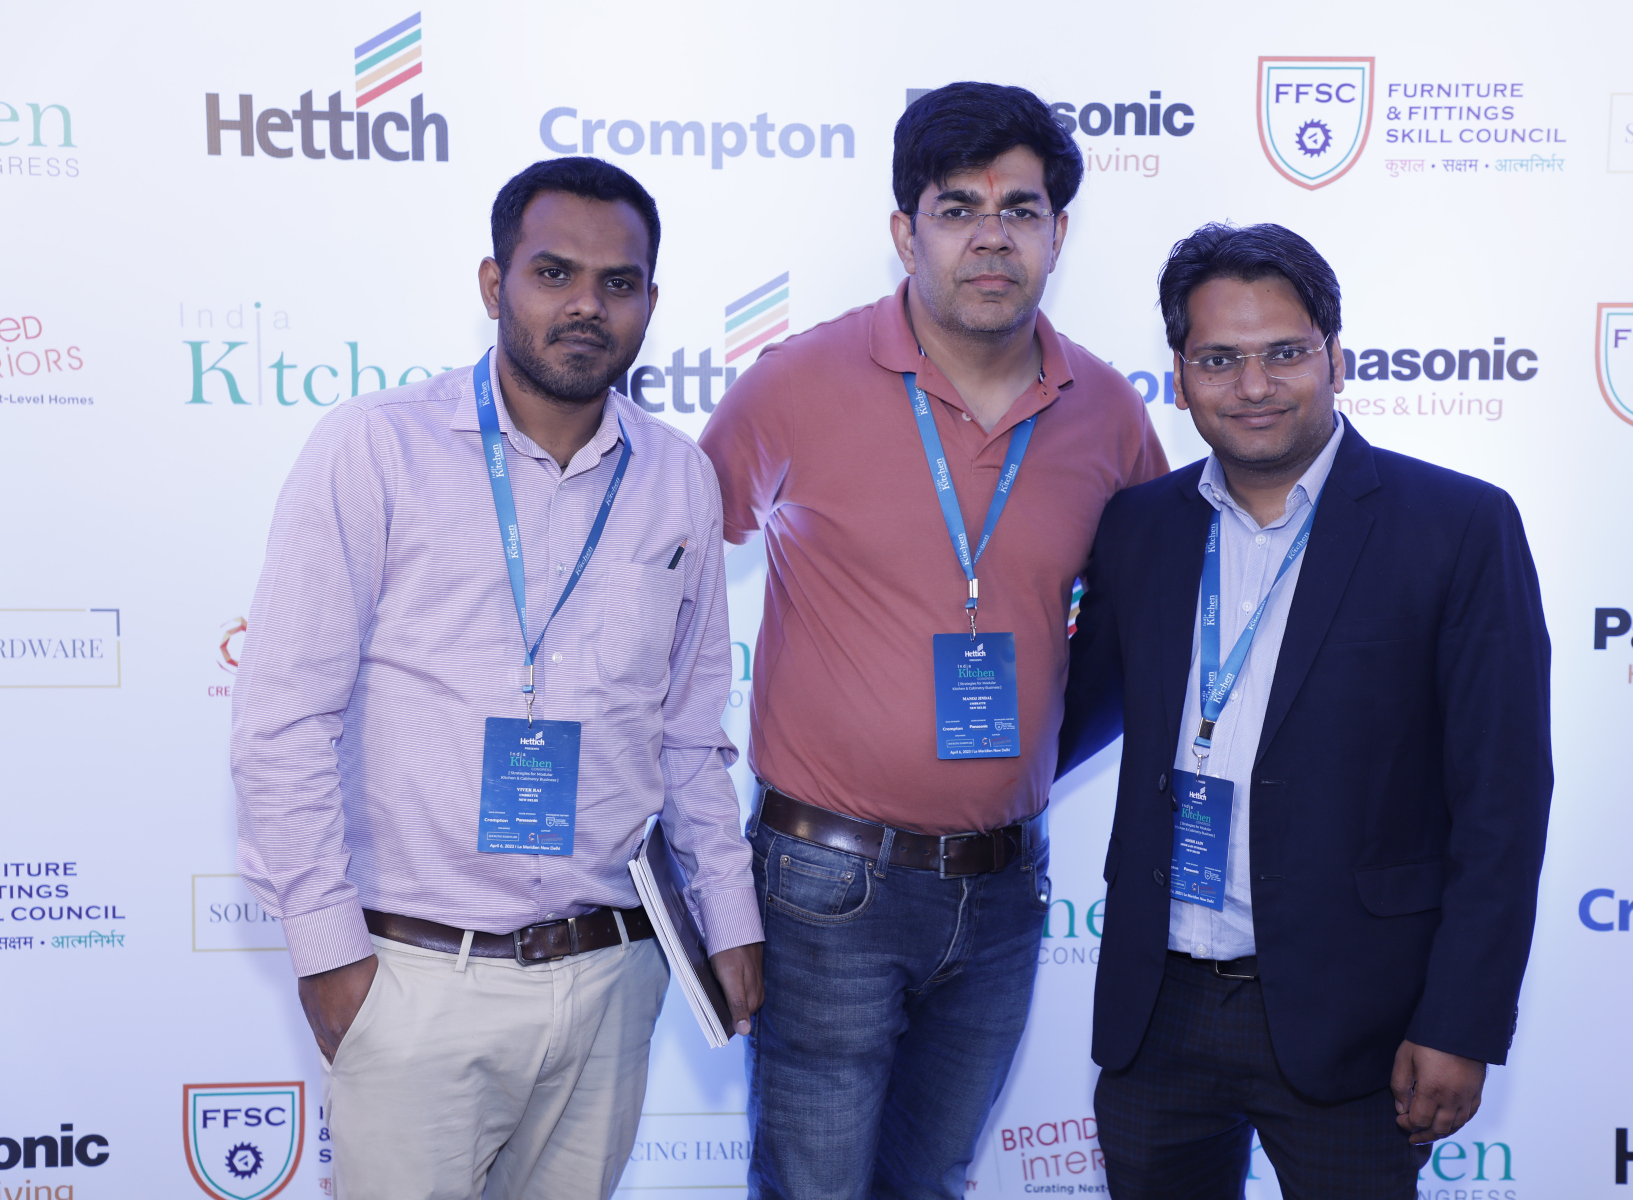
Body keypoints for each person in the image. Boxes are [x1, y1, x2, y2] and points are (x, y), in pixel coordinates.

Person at [232, 156, 764, 1200]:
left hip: (612, 976)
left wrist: (730, 918)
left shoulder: (679, 478)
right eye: (554, 273)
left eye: (618, 283)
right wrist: (329, 954)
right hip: (418, 977)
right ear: (493, 284)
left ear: (651, 302)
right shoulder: (378, 448)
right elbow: (284, 719)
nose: (587, 305)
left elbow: (689, 734)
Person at [698, 82, 1167, 1199]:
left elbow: (1145, 624)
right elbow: (663, 565)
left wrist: (1034, 753)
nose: (991, 237)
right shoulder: (796, 384)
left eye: (1021, 209)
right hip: (825, 884)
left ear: (1058, 232)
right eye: (958, 209)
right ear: (906, 234)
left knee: (933, 1183)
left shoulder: (1106, 411)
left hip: (1005, 889)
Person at [1059, 223, 1552, 1199]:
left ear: (1337, 357)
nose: (1254, 385)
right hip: (1157, 1009)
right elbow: (1069, 711)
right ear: (1179, 375)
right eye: (1219, 359)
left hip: (1358, 1019)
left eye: (1284, 352)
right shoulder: (1139, 528)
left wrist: (1459, 1021)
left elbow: (1503, 802)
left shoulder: (1457, 527)